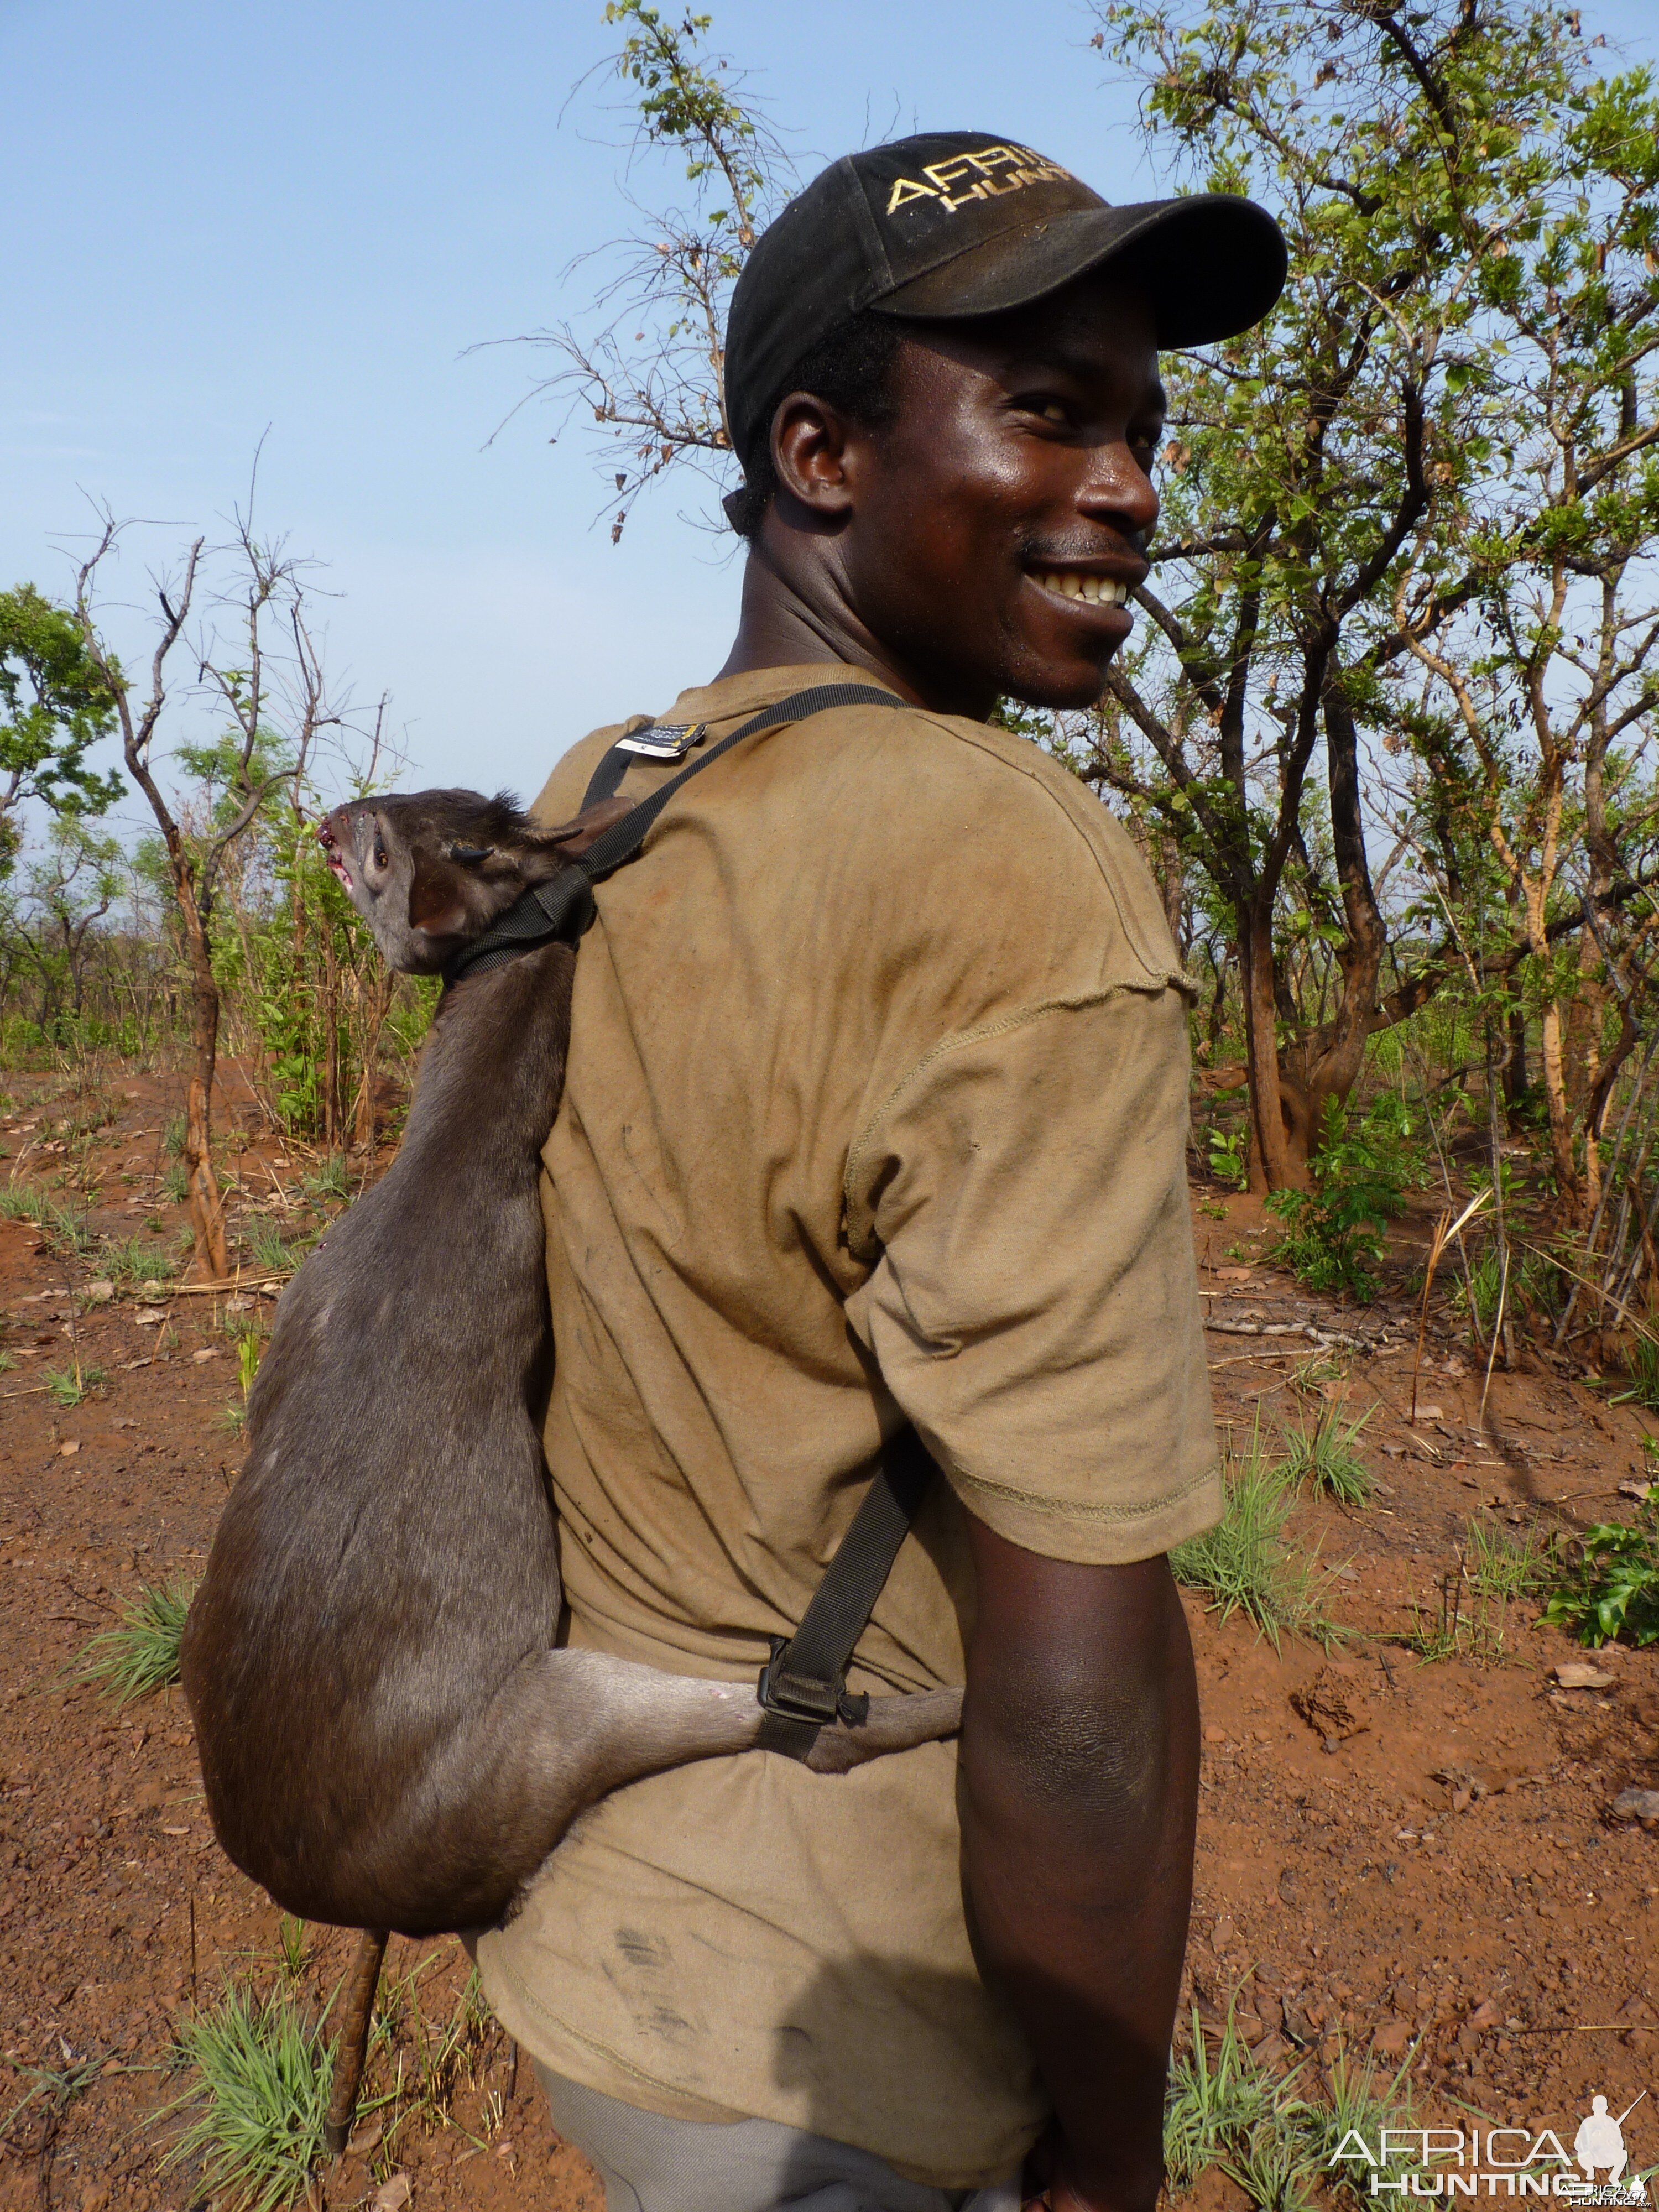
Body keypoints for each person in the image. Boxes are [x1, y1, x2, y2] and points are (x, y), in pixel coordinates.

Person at [472, 132, 1286, 2212]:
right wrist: (1111, 2147)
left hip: (597, 1923)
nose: (1128, 488)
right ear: (822, 454)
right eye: (1045, 410)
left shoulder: (615, 787)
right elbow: (1080, 1691)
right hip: (848, 2052)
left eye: (1142, 426)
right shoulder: (1012, 868)